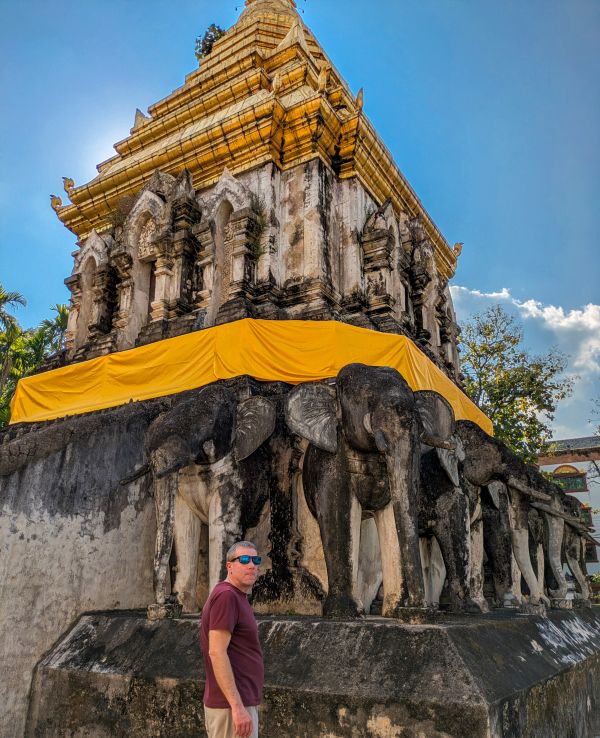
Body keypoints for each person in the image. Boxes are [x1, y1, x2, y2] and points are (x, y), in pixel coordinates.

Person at [199, 541, 264, 738]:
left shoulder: (237, 596)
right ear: (229, 566)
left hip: (238, 703)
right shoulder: (227, 596)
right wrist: (237, 707)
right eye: (244, 560)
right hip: (231, 707)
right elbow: (216, 652)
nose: (251, 565)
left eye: (255, 560)